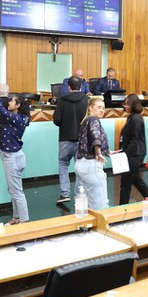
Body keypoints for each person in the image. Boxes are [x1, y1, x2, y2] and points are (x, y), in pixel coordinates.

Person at [0, 85, 31, 225]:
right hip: (14, 157)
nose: (9, 102)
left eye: (12, 101)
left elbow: (0, 110)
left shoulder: (17, 118)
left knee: (16, 192)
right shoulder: (20, 117)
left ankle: (24, 222)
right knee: (14, 190)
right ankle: (16, 218)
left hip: (12, 158)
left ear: (18, 105)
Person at [53, 76, 89, 204]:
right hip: (82, 139)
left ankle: (65, 194)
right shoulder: (87, 100)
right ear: (81, 86)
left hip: (65, 138)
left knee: (63, 164)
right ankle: (79, 195)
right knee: (79, 167)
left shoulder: (62, 100)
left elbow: (57, 120)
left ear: (69, 87)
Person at [75, 97, 110, 210]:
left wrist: (107, 151)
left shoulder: (86, 121)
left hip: (81, 164)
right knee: (100, 203)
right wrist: (99, 153)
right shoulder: (94, 120)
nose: (102, 110)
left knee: (88, 201)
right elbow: (95, 137)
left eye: (103, 108)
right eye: (99, 107)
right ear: (90, 108)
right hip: (91, 165)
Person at [118, 94, 148, 205]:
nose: (125, 106)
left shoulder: (136, 119)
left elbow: (134, 139)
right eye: (125, 104)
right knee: (134, 180)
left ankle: (122, 206)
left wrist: (124, 154)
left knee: (127, 182)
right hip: (132, 153)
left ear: (134, 105)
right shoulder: (132, 117)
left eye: (128, 104)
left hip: (134, 154)